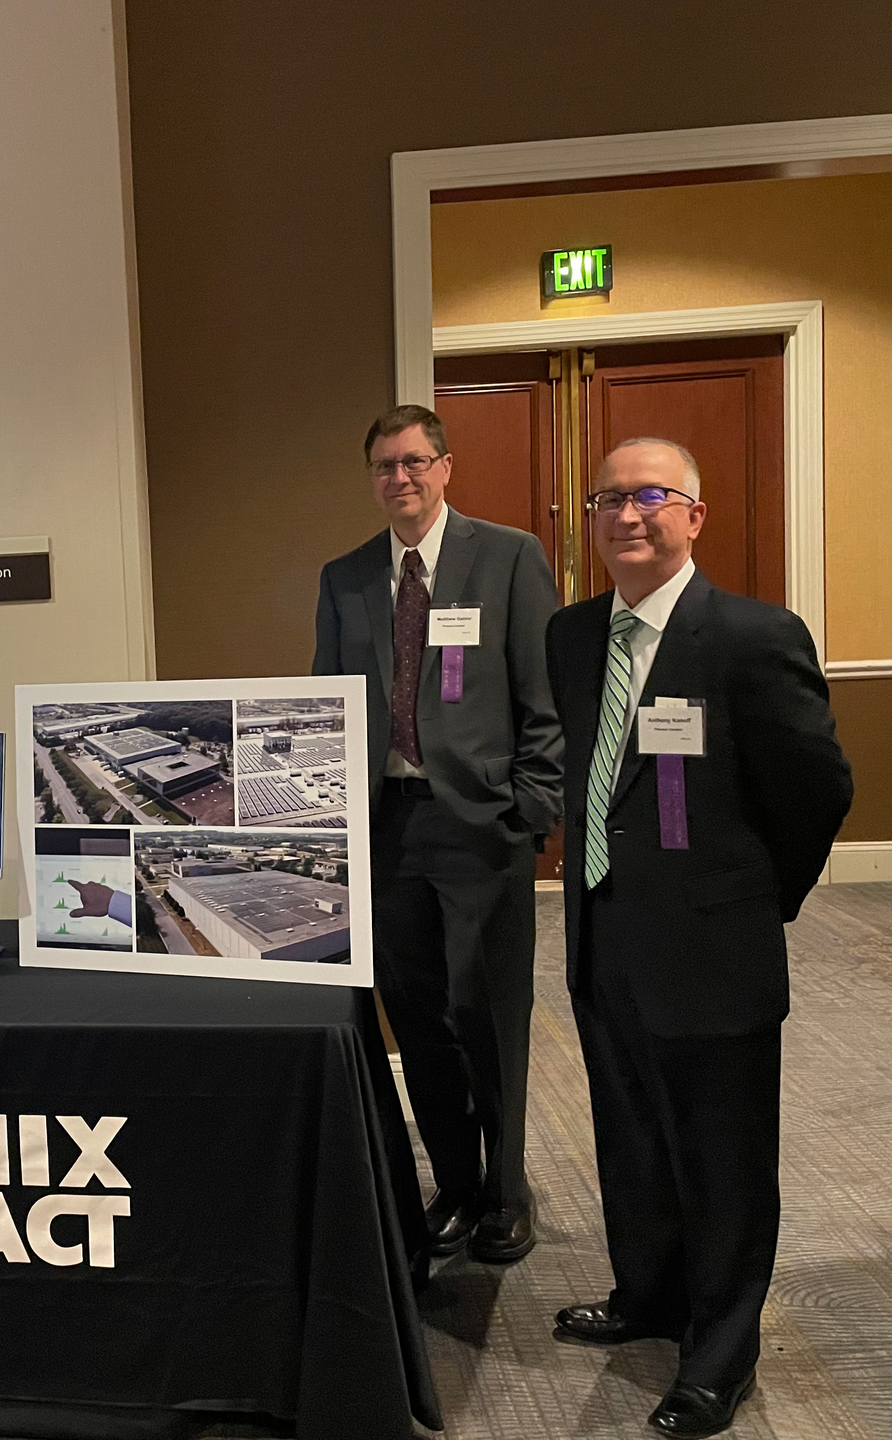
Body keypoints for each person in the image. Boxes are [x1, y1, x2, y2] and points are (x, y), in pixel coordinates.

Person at [544, 439, 851, 1437]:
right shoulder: (572, 633)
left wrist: (758, 902)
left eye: (649, 497)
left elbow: (816, 791)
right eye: (607, 501)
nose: (626, 517)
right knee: (630, 1137)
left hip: (714, 950)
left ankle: (721, 1355)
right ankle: (649, 1297)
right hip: (603, 935)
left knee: (721, 1156)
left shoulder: (753, 637)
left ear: (694, 516)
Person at [314, 404, 563, 1263]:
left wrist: (532, 807)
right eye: (385, 466)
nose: (401, 479)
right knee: (417, 1019)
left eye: (416, 462)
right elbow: (325, 713)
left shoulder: (508, 557)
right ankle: (454, 1185)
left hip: (481, 825)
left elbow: (545, 694)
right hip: (386, 828)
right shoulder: (345, 579)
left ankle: (506, 1191)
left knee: (490, 1012)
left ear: (446, 467)